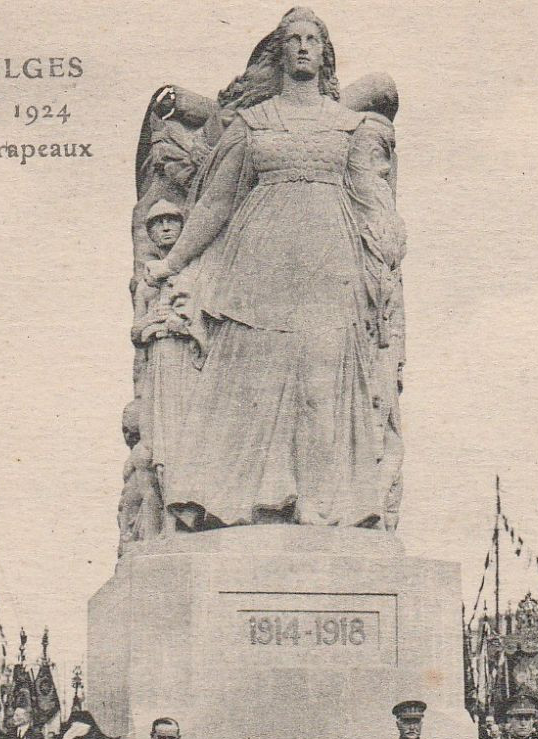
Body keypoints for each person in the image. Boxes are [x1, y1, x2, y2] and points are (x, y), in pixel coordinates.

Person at [143, 7, 406, 530]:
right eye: (294, 40)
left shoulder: (348, 126)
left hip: (330, 260)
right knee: (254, 382)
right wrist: (173, 260)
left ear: (325, 54)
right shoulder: (252, 123)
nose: (304, 47)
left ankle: (323, 505)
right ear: (280, 52)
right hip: (259, 262)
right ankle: (248, 500)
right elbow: (215, 205)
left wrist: (389, 237)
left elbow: (373, 199)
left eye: (313, 39)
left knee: (320, 383)